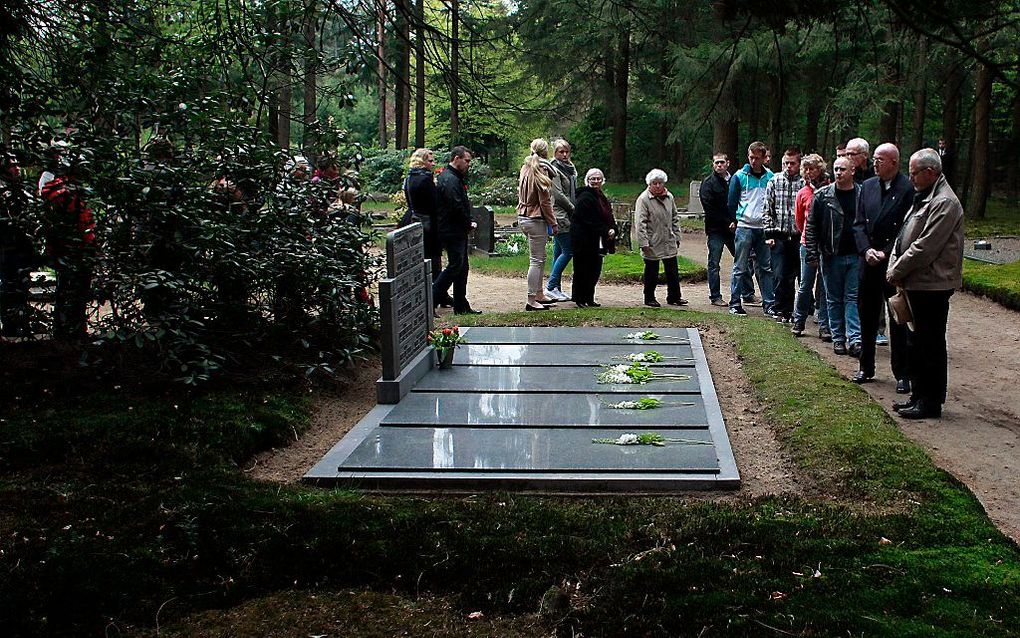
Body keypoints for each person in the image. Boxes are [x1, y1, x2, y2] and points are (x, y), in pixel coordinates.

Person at [887, 148, 964, 419]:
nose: (911, 178)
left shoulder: (944, 202)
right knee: (916, 341)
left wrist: (896, 269)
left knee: (930, 342)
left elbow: (925, 246)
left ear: (930, 172)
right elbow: (905, 235)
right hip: (917, 282)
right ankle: (918, 395)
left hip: (932, 284)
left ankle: (930, 401)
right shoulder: (924, 197)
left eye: (914, 173)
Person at [851, 143, 913, 391]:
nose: (875, 163)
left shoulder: (907, 188)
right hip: (868, 261)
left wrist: (885, 253)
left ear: (894, 163)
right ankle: (866, 366)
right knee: (866, 316)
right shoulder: (867, 187)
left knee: (897, 319)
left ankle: (902, 373)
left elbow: (906, 228)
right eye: (874, 159)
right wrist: (866, 249)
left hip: (892, 263)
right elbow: (857, 224)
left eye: (880, 159)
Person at [805, 156, 862, 356]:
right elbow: (811, 226)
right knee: (833, 298)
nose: (838, 173)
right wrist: (812, 253)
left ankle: (855, 338)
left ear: (852, 171)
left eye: (843, 169)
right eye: (836, 169)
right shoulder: (822, 196)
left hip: (856, 255)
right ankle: (838, 337)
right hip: (831, 255)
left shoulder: (862, 194)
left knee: (852, 297)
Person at [41, 154, 96, 341]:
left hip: (75, 249)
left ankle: (73, 329)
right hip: (70, 249)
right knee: (69, 290)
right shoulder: (62, 193)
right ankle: (67, 331)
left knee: (75, 290)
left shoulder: (74, 191)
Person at [727, 141, 775, 316]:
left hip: (763, 227)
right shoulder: (739, 176)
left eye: (757, 158)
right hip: (745, 226)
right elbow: (732, 202)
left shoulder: (770, 177)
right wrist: (735, 219)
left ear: (763, 158)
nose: (754, 161)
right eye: (751, 157)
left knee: (765, 267)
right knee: (740, 267)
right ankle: (735, 302)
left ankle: (769, 303)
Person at [433, 146, 481, 315]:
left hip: (455, 228)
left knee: (462, 267)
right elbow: (456, 205)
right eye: (466, 161)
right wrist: (468, 223)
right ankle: (432, 298)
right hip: (451, 229)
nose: (469, 164)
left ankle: (461, 305)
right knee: (455, 266)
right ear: (456, 159)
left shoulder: (452, 177)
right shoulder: (450, 179)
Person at [516, 139, 560, 311]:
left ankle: (539, 293)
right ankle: (531, 299)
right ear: (546, 152)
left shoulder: (526, 167)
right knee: (536, 261)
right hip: (535, 218)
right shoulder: (542, 169)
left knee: (540, 258)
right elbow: (545, 202)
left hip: (523, 216)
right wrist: (553, 223)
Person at [790, 154, 831, 341]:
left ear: (820, 169)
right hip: (807, 244)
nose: (808, 172)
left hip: (827, 246)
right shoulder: (803, 193)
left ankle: (824, 325)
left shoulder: (831, 190)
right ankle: (799, 321)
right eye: (805, 169)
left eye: (812, 168)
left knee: (824, 287)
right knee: (805, 285)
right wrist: (807, 236)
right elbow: (799, 221)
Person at [403, 148, 450, 305]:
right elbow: (434, 204)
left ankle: (439, 295)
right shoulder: (424, 179)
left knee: (425, 258)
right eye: (430, 160)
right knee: (433, 259)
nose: (433, 163)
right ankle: (436, 295)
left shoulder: (410, 177)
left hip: (415, 219)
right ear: (422, 161)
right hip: (428, 224)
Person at [764, 146, 805, 322]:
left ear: (799, 164)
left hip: (798, 236)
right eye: (786, 163)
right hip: (779, 235)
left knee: (798, 276)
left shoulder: (804, 183)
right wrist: (769, 234)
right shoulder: (774, 181)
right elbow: (767, 209)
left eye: (792, 163)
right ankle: (781, 309)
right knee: (780, 274)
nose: (789, 166)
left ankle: (797, 310)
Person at [635, 168, 686, 307]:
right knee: (652, 271)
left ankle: (674, 296)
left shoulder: (669, 197)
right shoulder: (644, 199)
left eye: (660, 183)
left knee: (672, 270)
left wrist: (677, 236)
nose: (658, 186)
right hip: (653, 240)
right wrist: (643, 242)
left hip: (668, 239)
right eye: (654, 183)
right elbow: (640, 223)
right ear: (649, 184)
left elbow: (675, 217)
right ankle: (649, 297)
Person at [1, 148, 34, 338]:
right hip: (7, 246)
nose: (17, 169)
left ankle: (23, 321)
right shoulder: (4, 190)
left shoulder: (18, 189)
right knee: (9, 284)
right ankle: (11, 324)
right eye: (13, 166)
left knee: (21, 283)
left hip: (20, 244)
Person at [570, 168, 616, 307]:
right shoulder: (585, 197)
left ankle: (589, 297)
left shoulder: (600, 196)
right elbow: (588, 220)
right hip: (583, 239)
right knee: (582, 269)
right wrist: (606, 230)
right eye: (593, 179)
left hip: (596, 239)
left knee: (595, 269)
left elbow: (607, 215)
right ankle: (579, 298)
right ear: (587, 181)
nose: (596, 181)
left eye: (598, 179)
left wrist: (613, 228)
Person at [699, 152, 737, 306]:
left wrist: (736, 221)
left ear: (728, 163)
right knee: (714, 264)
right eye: (716, 163)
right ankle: (715, 296)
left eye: (722, 162)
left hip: (734, 228)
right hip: (716, 230)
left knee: (744, 261)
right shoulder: (708, 183)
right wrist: (728, 222)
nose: (719, 165)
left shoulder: (735, 180)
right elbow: (710, 208)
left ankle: (747, 293)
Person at [544, 139, 577, 302]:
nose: (564, 155)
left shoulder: (570, 168)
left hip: (567, 213)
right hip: (560, 214)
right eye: (560, 152)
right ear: (555, 153)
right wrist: (573, 208)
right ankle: (550, 286)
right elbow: (557, 194)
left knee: (559, 251)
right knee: (568, 250)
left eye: (566, 152)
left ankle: (555, 287)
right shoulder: (554, 169)